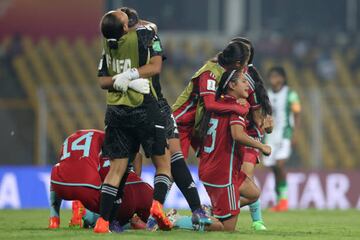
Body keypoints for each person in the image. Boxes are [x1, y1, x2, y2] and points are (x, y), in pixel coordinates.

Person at [119, 7, 212, 229]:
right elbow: (152, 26)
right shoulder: (148, 33)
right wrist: (134, 19)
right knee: (169, 161)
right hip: (153, 104)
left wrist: (126, 20)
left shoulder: (115, 44)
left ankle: (114, 216)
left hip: (125, 105)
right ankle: (164, 209)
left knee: (129, 162)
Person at [95, 10, 172, 233]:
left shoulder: (108, 45)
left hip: (116, 112)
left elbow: (102, 81)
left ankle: (103, 222)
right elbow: (156, 67)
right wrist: (131, 76)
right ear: (125, 27)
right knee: (163, 164)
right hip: (144, 108)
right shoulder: (144, 35)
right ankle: (157, 206)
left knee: (116, 170)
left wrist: (121, 80)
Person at [197, 70, 272, 231]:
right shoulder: (237, 107)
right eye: (244, 81)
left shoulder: (219, 103)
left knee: (253, 193)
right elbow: (237, 135)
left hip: (214, 167)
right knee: (225, 228)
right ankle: (180, 220)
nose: (248, 85)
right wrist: (261, 146)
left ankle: (217, 211)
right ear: (231, 85)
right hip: (223, 173)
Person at [48, 130, 152, 231]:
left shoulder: (73, 139)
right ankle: (134, 223)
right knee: (114, 215)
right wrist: (135, 176)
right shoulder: (116, 147)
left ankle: (55, 218)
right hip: (142, 189)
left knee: (58, 170)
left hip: (60, 183)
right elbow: (137, 156)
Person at [172, 41, 250, 160]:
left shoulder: (226, 72)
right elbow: (210, 104)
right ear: (238, 63)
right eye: (245, 63)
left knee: (210, 160)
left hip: (196, 124)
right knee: (176, 167)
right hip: (181, 122)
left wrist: (240, 101)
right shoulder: (209, 74)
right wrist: (236, 107)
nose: (246, 67)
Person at [229, 37, 273, 230]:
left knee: (245, 176)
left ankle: (255, 220)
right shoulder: (226, 74)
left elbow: (257, 118)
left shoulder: (249, 79)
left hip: (249, 133)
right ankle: (226, 215)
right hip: (230, 132)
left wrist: (265, 124)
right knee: (240, 181)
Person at [263, 66, 301, 212]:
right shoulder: (266, 94)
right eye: (271, 76)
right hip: (270, 137)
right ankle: (279, 200)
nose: (274, 79)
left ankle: (283, 201)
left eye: (276, 76)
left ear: (283, 78)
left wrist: (295, 133)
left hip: (285, 134)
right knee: (273, 169)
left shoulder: (291, 94)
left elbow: (297, 114)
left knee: (279, 165)